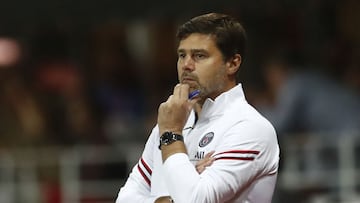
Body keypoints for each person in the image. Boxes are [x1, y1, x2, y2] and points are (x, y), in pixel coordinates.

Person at [116, 13, 280, 203]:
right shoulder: (173, 120)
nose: (186, 65)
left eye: (199, 56)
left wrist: (171, 134)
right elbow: (125, 199)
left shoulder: (250, 128)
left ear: (232, 63)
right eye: (182, 55)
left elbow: (195, 200)